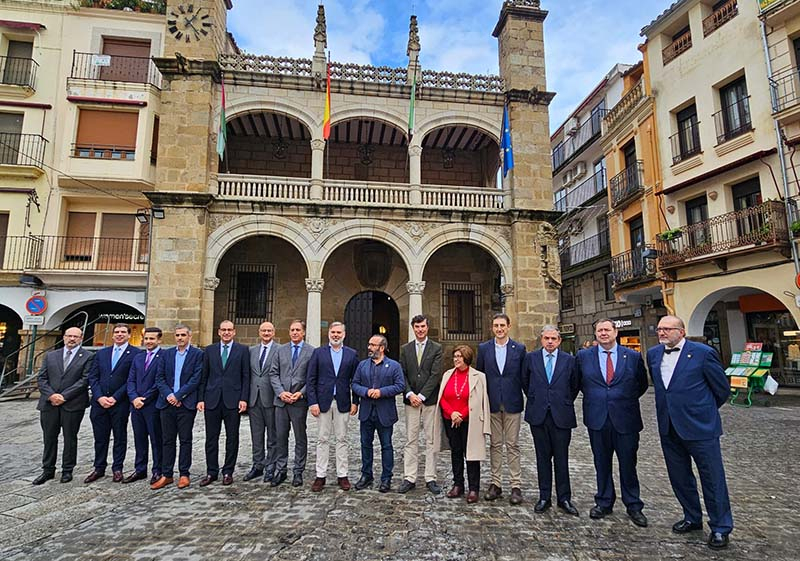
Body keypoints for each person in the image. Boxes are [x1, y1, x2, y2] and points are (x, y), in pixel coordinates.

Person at [647, 315, 733, 550]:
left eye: (667, 329)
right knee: (680, 477)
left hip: (701, 428)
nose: (661, 332)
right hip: (669, 426)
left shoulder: (703, 353)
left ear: (681, 332)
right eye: (659, 329)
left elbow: (722, 389)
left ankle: (720, 527)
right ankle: (692, 517)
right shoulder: (653, 354)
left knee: (712, 478)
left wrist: (702, 411)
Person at [576, 319, 649, 527]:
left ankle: (633, 505)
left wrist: (621, 398)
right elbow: (579, 383)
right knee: (601, 462)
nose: (603, 333)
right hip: (597, 418)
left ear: (615, 332)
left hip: (626, 419)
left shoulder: (633, 356)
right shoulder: (583, 356)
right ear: (595, 334)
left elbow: (641, 384)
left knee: (628, 464)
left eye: (607, 330)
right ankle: (604, 501)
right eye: (599, 330)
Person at [522, 325, 579, 516]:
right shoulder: (531, 358)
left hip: (561, 415)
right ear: (541, 339)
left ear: (559, 341)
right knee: (542, 458)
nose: (550, 342)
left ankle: (564, 498)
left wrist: (560, 401)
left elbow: (574, 385)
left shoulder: (570, 360)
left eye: (553, 338)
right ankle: (544, 496)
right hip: (538, 416)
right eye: (546, 338)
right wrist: (539, 400)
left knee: (562, 458)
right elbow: (525, 382)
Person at [476, 313, 527, 504]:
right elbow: (480, 377)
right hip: (492, 403)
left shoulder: (519, 349)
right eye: (496, 326)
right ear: (492, 328)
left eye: (502, 325)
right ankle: (495, 483)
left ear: (508, 326)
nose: (499, 329)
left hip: (513, 403)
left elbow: (524, 377)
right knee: (495, 445)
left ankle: (516, 485)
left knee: (513, 445)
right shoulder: (484, 349)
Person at [33, 327, 93, 485]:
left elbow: (85, 380)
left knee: (70, 438)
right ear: (64, 337)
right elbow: (42, 378)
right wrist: (52, 395)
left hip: (73, 404)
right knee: (49, 438)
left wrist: (64, 396)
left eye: (75, 336)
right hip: (49, 403)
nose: (72, 339)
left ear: (81, 338)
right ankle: (48, 470)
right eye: (69, 336)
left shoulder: (88, 356)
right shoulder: (51, 355)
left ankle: (67, 470)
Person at [433, 345, 491, 504]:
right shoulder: (447, 374)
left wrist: (462, 414)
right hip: (450, 419)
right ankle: (458, 484)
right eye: (455, 356)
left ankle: (474, 488)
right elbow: (442, 397)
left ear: (467, 358)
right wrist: (452, 413)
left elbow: (478, 400)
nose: (456, 359)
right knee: (456, 452)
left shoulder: (479, 377)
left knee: (471, 454)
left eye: (459, 356)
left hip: (469, 421)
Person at [85, 323, 142, 483]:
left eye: (123, 332)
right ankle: (99, 468)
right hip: (99, 403)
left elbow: (132, 379)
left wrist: (116, 397)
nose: (119, 334)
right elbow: (93, 377)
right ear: (112, 335)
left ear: (129, 335)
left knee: (119, 436)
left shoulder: (135, 353)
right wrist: (99, 397)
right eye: (116, 332)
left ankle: (118, 468)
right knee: (100, 438)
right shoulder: (102, 353)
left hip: (120, 403)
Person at [307, 322, 359, 491]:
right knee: (322, 439)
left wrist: (355, 401)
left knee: (342, 439)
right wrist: (312, 402)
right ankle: (320, 475)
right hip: (322, 402)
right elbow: (311, 380)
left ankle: (342, 475)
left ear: (344, 334)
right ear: (328, 333)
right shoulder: (318, 353)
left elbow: (356, 380)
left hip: (343, 402)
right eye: (333, 332)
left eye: (338, 332)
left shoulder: (351, 354)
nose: (335, 335)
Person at [152, 324, 204, 490]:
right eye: (177, 335)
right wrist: (170, 396)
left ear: (190, 336)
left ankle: (184, 474)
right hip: (166, 403)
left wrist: (179, 395)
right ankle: (167, 474)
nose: (180, 338)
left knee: (185, 440)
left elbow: (196, 379)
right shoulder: (167, 354)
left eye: (183, 335)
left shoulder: (197, 355)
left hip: (186, 404)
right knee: (167, 440)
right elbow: (159, 378)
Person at [198, 320, 250, 486]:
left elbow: (246, 377)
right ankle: (211, 472)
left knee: (232, 438)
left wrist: (244, 398)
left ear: (234, 332)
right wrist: (201, 399)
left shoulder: (242, 350)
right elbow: (203, 376)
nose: (226, 333)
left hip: (232, 401)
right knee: (211, 438)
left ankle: (228, 471)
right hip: (212, 400)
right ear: (219, 332)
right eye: (223, 330)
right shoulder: (210, 350)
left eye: (229, 330)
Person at [351, 334, 405, 492]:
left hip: (385, 412)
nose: (369, 347)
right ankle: (366, 475)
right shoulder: (362, 365)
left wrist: (381, 392)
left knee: (386, 446)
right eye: (369, 344)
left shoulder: (394, 366)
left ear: (382, 348)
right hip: (367, 412)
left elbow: (400, 385)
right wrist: (366, 392)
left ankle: (386, 478)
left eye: (373, 345)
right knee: (365, 445)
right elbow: (354, 384)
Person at [398, 314, 443, 494]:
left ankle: (430, 477)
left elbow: (435, 375)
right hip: (411, 402)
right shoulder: (405, 349)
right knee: (411, 439)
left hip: (429, 401)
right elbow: (402, 373)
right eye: (417, 327)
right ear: (413, 328)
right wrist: (410, 394)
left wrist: (422, 396)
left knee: (431, 440)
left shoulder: (436, 348)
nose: (420, 330)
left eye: (423, 327)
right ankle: (410, 477)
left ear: (427, 327)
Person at [269, 319, 315, 487]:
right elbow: (273, 373)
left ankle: (298, 471)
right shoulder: (280, 350)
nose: (294, 332)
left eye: (298, 330)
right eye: (292, 330)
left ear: (303, 332)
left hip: (298, 402)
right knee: (280, 437)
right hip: (281, 401)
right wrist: (281, 392)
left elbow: (311, 377)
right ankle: (281, 470)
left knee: (300, 438)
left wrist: (300, 394)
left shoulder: (311, 352)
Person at [124, 326, 164, 484]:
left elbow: (160, 381)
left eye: (152, 339)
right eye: (146, 338)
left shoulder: (164, 356)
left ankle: (157, 470)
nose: (148, 341)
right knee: (139, 438)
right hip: (136, 406)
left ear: (159, 340)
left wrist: (144, 399)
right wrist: (134, 398)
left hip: (153, 405)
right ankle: (140, 469)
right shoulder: (138, 357)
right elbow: (131, 380)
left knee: (156, 439)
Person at [243, 321, 280, 483]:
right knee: (256, 435)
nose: (266, 333)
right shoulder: (251, 351)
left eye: (269, 331)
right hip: (254, 399)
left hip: (271, 398)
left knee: (273, 435)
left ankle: (271, 466)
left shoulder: (280, 350)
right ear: (259, 332)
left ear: (274, 332)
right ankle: (257, 465)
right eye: (263, 331)